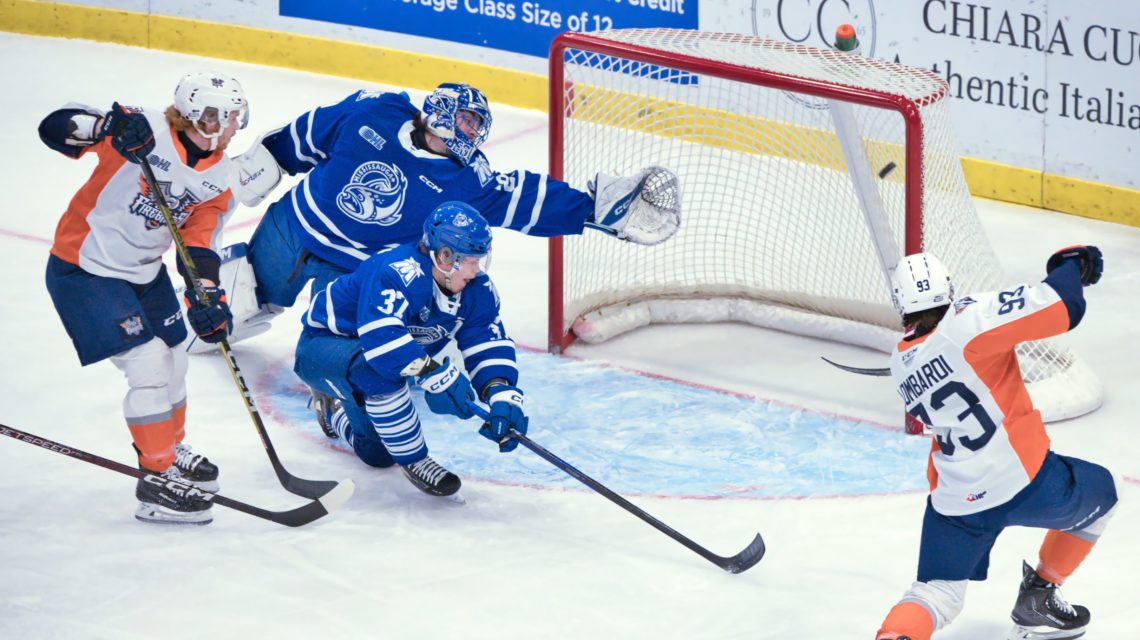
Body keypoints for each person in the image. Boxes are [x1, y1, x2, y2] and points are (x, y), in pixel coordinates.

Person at [213, 81, 680, 348]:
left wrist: (590, 209)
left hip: (354, 268)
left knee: (352, 351)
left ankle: (338, 398)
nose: (470, 132)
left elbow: (521, 200)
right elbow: (301, 138)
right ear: (437, 111)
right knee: (217, 325)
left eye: (476, 126)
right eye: (465, 119)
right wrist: (227, 187)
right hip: (292, 230)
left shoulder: (467, 179)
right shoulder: (374, 111)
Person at [39, 71, 263, 524]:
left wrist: (208, 297)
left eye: (237, 115)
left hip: (144, 274)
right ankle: (155, 479)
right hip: (84, 269)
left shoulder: (220, 174)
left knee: (175, 359)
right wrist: (104, 128)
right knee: (149, 366)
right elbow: (54, 127)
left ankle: (166, 447)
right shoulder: (140, 127)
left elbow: (199, 242)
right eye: (227, 115)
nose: (235, 125)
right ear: (201, 117)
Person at [874, 248, 1118, 640]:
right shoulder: (967, 319)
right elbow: (1063, 305)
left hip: (955, 501)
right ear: (949, 288)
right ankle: (1039, 594)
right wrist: (1072, 264)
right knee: (1107, 493)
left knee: (936, 594)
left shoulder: (900, 363)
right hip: (1028, 484)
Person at [292, 201, 528, 497]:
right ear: (444, 256)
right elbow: (383, 342)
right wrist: (431, 373)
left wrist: (500, 391)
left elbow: (486, 339)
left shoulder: (476, 289)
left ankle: (333, 410)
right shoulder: (395, 270)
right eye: (470, 260)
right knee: (378, 373)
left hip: (372, 357)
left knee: (378, 455)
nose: (476, 269)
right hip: (322, 347)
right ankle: (416, 460)